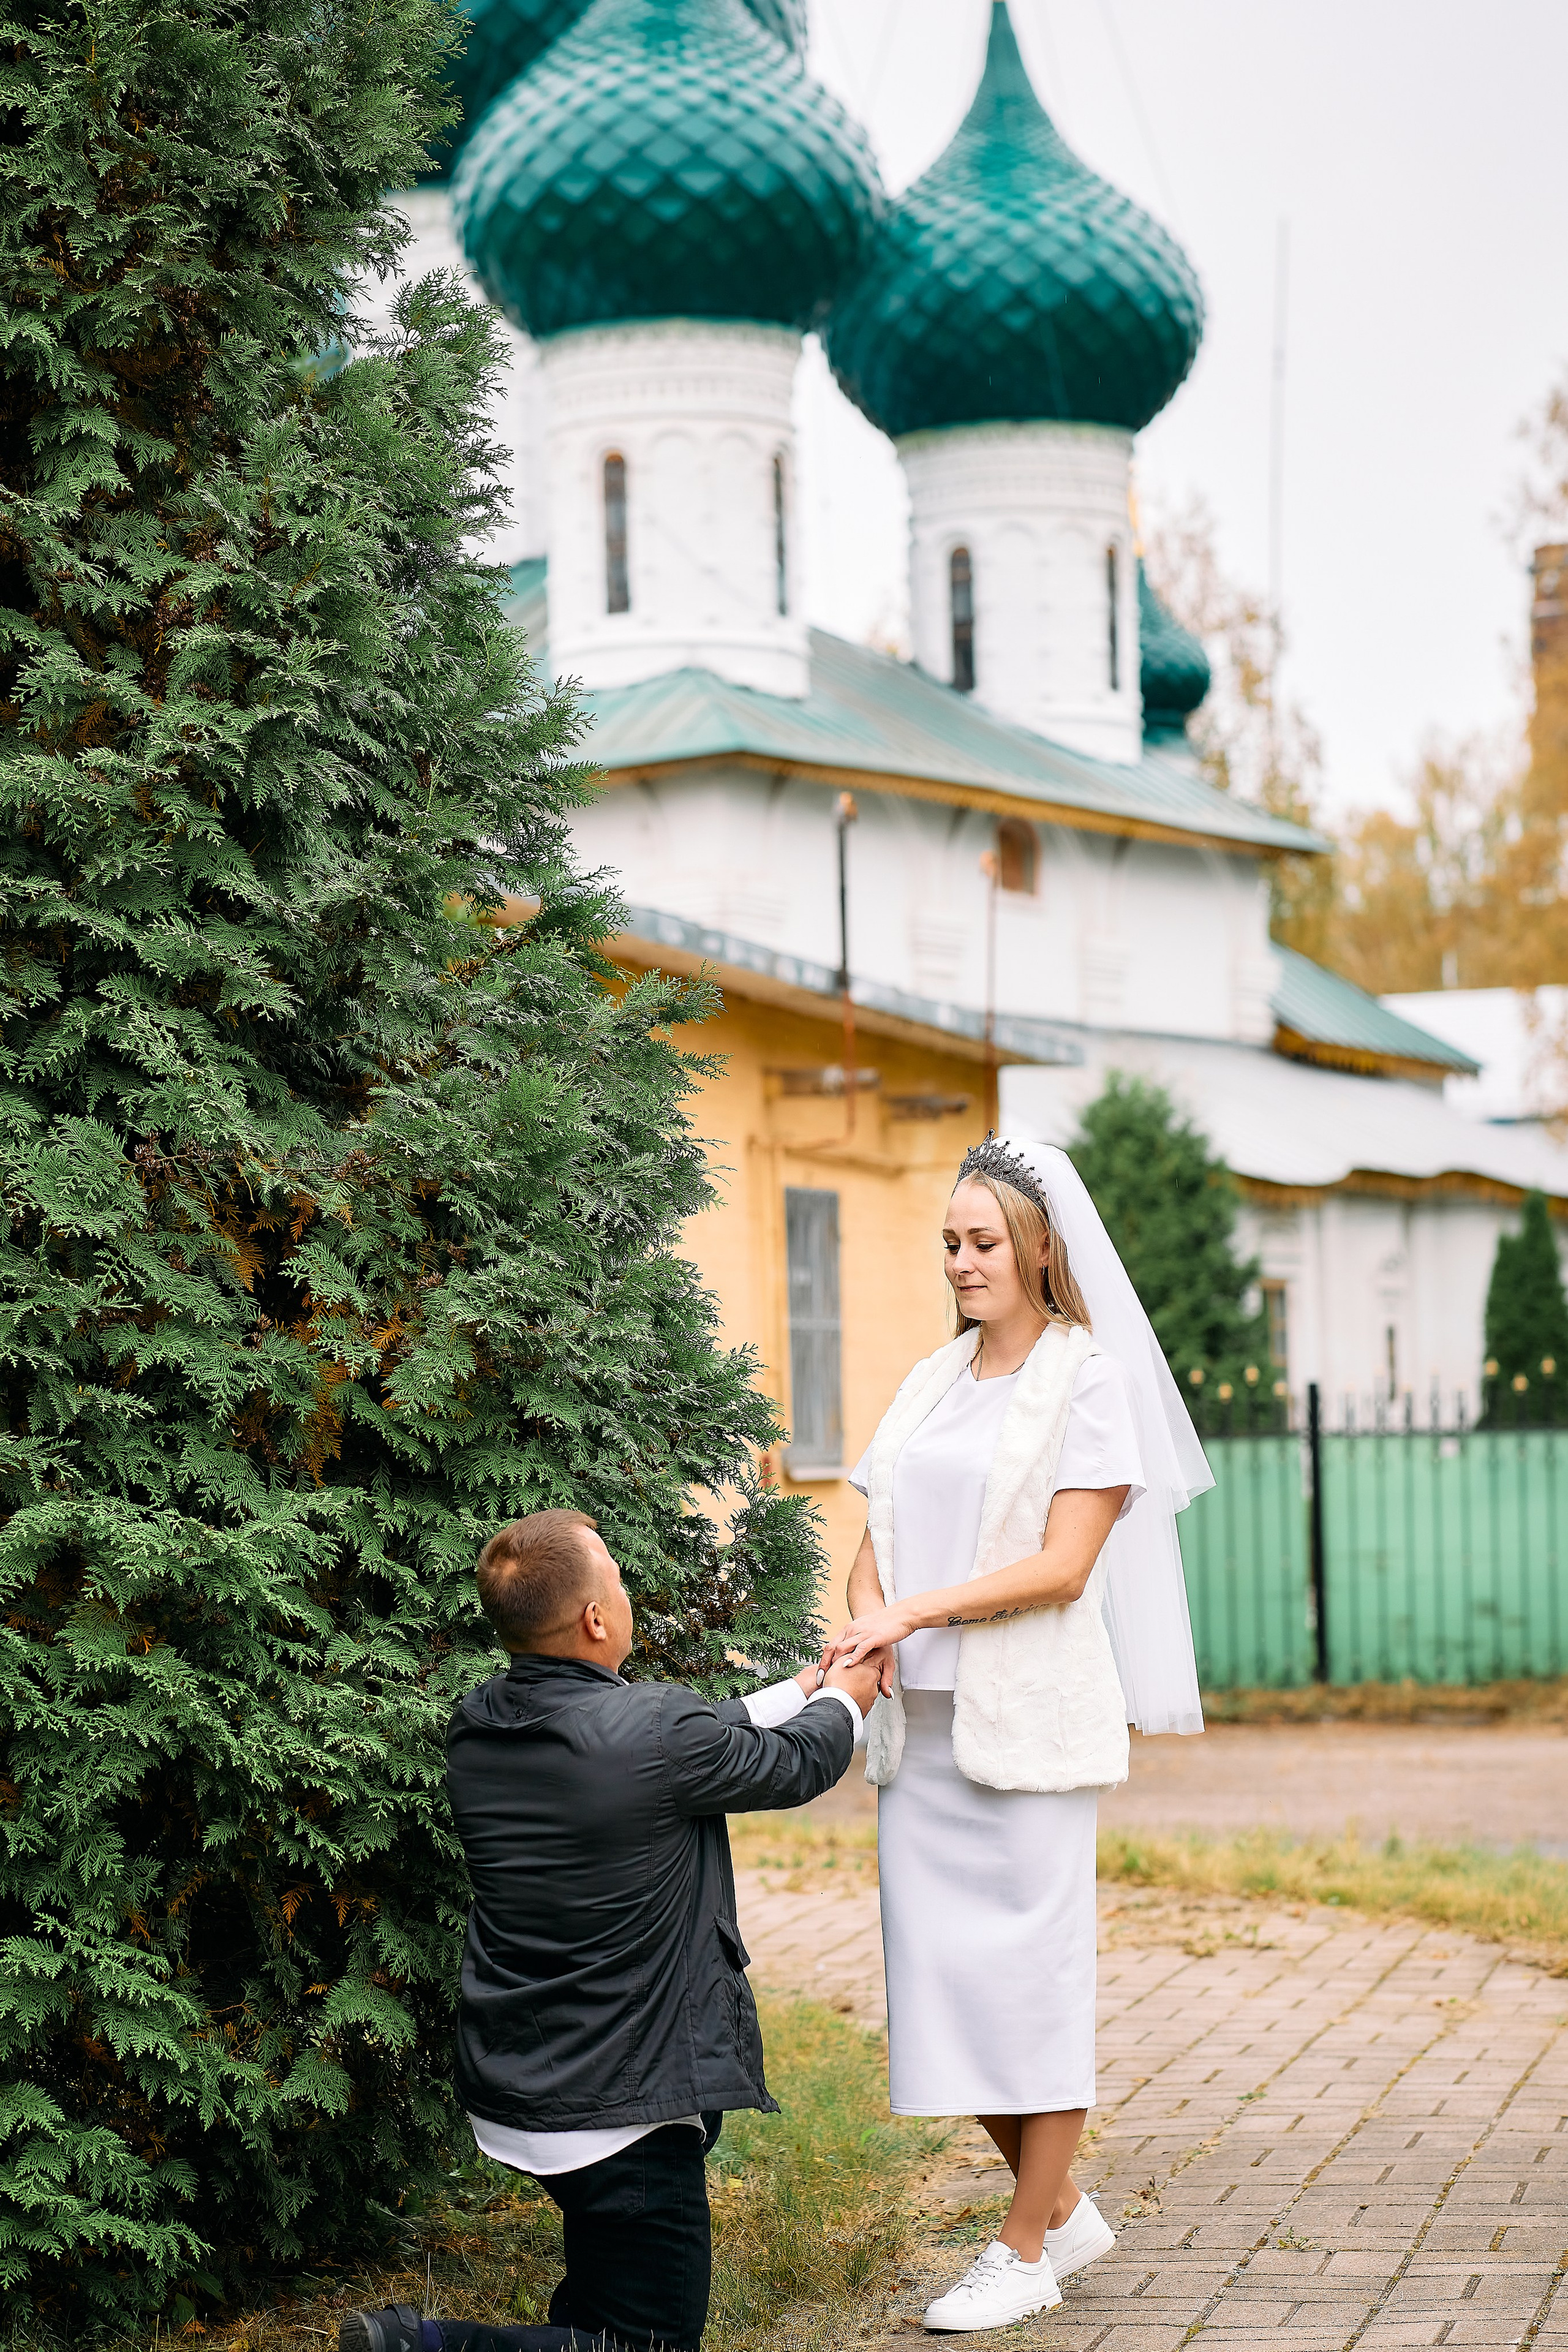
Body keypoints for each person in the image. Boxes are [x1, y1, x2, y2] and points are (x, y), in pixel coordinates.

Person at [821, 1136, 1210, 2334]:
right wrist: (859, 1633)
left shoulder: (1089, 1381)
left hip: (1027, 1733)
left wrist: (914, 1612)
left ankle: (1023, 2246)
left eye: (981, 1241)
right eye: (949, 1242)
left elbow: (1061, 1564)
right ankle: (1064, 2209)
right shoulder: (930, 1382)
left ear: (1039, 1247)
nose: (960, 1261)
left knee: (1029, 1993)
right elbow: (877, 1525)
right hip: (922, 1740)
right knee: (940, 1992)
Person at [341, 1507, 879, 2352]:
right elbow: (796, 1764)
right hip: (623, 2098)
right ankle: (425, 2345)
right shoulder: (652, 1731)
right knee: (651, 2344)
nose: (624, 1595)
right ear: (596, 1619)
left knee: (600, 2306)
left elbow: (686, 1740)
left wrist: (806, 1687)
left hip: (523, 2077)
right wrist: (851, 1696)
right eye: (618, 1582)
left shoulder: (480, 1725)